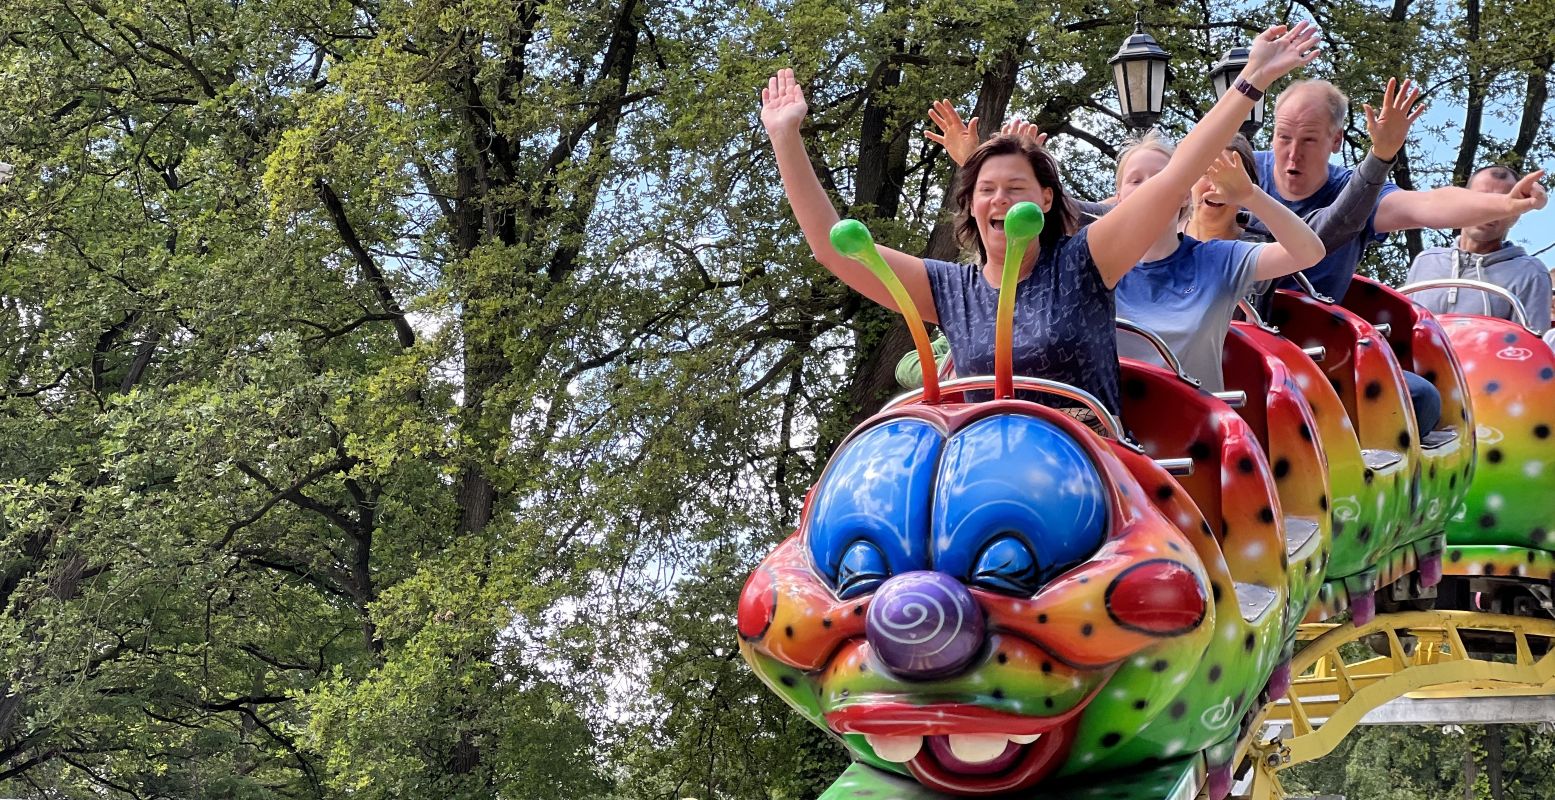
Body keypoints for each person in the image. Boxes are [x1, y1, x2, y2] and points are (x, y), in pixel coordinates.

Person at [760, 23, 1322, 426]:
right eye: (986, 191)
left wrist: (1249, 80)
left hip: (1092, 480)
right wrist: (786, 137)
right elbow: (835, 250)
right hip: (982, 479)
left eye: (1015, 189)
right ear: (971, 208)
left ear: (1048, 201)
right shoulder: (951, 290)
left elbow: (1176, 177)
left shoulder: (1085, 262)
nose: (999, 200)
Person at [1246, 78, 1548, 432]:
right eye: (1284, 137)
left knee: (1420, 397)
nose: (1293, 153)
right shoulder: (1243, 174)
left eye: (1309, 140)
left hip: (1315, 351)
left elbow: (1431, 203)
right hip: (1231, 335)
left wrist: (1508, 203)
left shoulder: (1356, 195)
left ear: (1335, 141)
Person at [1404, 165, 1552, 333]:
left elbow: (1530, 350)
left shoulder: (1530, 274)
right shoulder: (1426, 261)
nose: (1489, 210)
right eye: (1482, 199)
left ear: (1516, 214)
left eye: (1502, 202)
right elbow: (1401, 330)